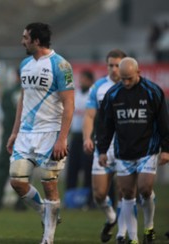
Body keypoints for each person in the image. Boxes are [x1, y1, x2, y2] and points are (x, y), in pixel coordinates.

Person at [6, 22, 74, 244]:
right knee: (17, 180)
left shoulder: (61, 65)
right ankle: (46, 212)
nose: (22, 41)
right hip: (25, 134)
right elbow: (23, 100)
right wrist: (15, 132)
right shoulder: (25, 64)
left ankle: (48, 238)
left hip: (50, 133)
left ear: (36, 40)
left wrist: (62, 138)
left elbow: (69, 104)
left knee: (49, 184)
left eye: (25, 37)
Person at [97, 57, 169, 244]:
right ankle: (133, 238)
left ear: (138, 73)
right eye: (123, 79)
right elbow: (105, 125)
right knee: (127, 193)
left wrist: (166, 149)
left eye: (129, 78)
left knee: (145, 189)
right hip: (124, 152)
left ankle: (149, 227)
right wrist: (103, 150)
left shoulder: (153, 92)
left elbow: (164, 124)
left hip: (148, 150)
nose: (126, 82)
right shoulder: (113, 95)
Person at [83, 49, 128, 243]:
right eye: (111, 65)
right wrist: (87, 137)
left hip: (128, 146)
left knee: (125, 191)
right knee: (99, 194)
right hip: (104, 145)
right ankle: (111, 218)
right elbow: (90, 115)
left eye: (118, 65)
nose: (114, 69)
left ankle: (123, 233)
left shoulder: (133, 86)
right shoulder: (98, 87)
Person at [0, 69, 25, 211]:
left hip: (8, 134)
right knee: (23, 170)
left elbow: (5, 113)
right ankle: (21, 202)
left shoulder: (8, 93)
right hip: (24, 136)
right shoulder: (29, 93)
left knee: (3, 169)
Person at [64, 69, 94, 209]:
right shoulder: (75, 95)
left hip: (87, 137)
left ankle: (89, 200)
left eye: (83, 79)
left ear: (89, 80)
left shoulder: (92, 95)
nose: (80, 81)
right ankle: (70, 200)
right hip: (75, 136)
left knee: (88, 169)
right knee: (72, 168)